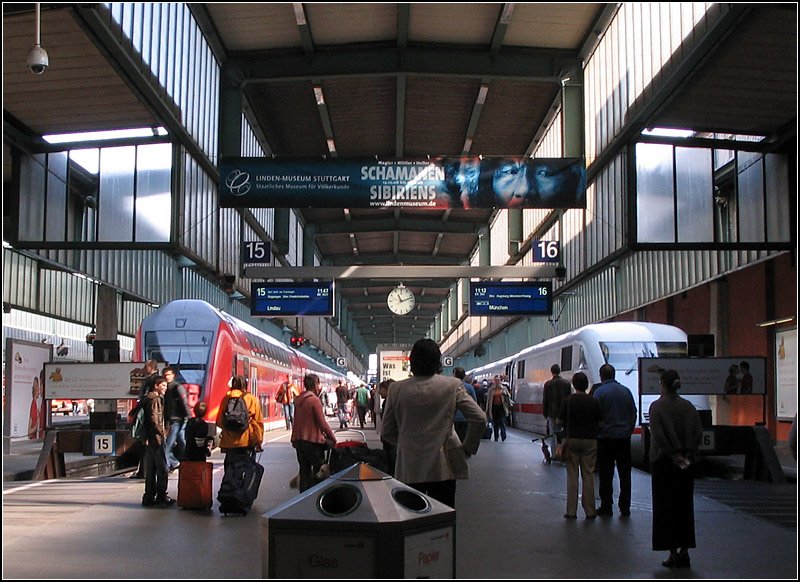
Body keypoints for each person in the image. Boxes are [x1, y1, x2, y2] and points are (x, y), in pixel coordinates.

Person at [381, 339, 486, 508]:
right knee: (442, 520)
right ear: (438, 361)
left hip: (409, 466)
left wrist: (405, 443)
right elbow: (480, 418)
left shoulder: (396, 389)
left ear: (411, 361)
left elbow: (386, 431)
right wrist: (467, 448)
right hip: (443, 465)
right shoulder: (452, 385)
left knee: (411, 520)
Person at [649, 369, 703, 569]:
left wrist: (673, 455)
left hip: (664, 464)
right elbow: (698, 433)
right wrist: (686, 455)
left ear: (662, 384)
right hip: (686, 463)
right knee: (684, 506)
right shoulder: (689, 407)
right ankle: (685, 551)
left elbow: (659, 437)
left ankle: (672, 552)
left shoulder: (657, 407)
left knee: (665, 508)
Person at [593, 363, 637, 517]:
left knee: (606, 474)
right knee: (625, 474)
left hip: (605, 439)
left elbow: (595, 415)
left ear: (601, 376)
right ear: (614, 375)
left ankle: (606, 506)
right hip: (623, 438)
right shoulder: (626, 391)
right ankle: (625, 507)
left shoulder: (599, 393)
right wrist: (628, 430)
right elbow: (633, 413)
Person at [557, 371, 602, 520]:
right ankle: (590, 510)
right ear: (586, 385)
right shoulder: (594, 401)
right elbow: (601, 422)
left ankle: (571, 511)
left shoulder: (568, 401)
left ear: (574, 385)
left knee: (572, 476)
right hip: (590, 440)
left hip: (572, 441)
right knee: (588, 475)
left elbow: (559, 422)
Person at [291, 373, 337, 492]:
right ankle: (317, 495)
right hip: (312, 442)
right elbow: (322, 423)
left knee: (304, 470)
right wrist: (332, 437)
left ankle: (303, 498)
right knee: (319, 470)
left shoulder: (298, 399)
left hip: (299, 441)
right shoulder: (314, 400)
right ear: (315, 385)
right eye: (318, 384)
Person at [216, 375, 264, 471]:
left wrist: (229, 430)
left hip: (229, 444)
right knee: (246, 472)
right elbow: (258, 422)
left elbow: (219, 422)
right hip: (246, 442)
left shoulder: (226, 399)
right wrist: (258, 441)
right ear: (245, 385)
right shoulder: (251, 399)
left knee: (230, 472)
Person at [141, 375, 173, 507]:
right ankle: (161, 496)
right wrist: (163, 433)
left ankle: (148, 496)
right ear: (156, 386)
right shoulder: (157, 399)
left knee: (150, 469)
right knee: (162, 468)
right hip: (157, 439)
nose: (166, 388)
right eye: (163, 385)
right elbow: (156, 419)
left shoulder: (147, 399)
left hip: (148, 438)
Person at [163, 366, 191, 471]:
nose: (166, 377)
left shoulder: (177, 387)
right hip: (173, 419)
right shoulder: (167, 387)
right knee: (181, 441)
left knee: (168, 445)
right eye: (165, 375)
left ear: (173, 375)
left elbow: (184, 403)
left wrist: (188, 416)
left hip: (177, 419)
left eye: (168, 375)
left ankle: (174, 463)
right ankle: (188, 460)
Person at [541, 364, 571, 464]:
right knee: (564, 434)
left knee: (553, 434)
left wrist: (545, 413)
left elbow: (545, 401)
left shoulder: (548, 384)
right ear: (559, 371)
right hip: (564, 414)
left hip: (552, 413)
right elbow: (569, 399)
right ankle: (564, 454)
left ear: (552, 372)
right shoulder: (566, 383)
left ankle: (555, 454)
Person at [452, 368, 478, 443]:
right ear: (464, 376)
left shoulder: (451, 387)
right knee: (464, 436)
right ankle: (464, 451)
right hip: (466, 417)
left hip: (453, 417)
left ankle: (457, 452)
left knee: (455, 438)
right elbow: (474, 401)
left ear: (454, 375)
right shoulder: (469, 387)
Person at [377, 379, 397, 476]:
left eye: (381, 389)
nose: (379, 392)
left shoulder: (387, 402)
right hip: (394, 436)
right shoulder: (396, 400)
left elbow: (387, 420)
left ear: (387, 389)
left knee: (390, 460)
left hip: (390, 437)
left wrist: (383, 433)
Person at [485, 376, 512, 442]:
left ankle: (503, 435)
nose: (497, 382)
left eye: (498, 380)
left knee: (502, 422)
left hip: (502, 407)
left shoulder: (504, 388)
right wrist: (487, 409)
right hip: (494, 408)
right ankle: (496, 436)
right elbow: (488, 400)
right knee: (495, 423)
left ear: (500, 381)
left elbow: (508, 396)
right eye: (496, 380)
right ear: (494, 381)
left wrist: (505, 394)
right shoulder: (491, 390)